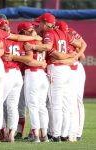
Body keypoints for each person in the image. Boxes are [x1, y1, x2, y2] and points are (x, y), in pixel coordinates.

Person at [25, 13, 81, 142]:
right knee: (65, 104)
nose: (39, 25)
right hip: (66, 70)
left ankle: (56, 134)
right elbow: (78, 44)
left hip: (56, 69)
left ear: (45, 23)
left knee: (55, 104)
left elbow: (50, 48)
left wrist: (33, 46)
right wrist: (70, 55)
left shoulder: (48, 33)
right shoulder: (63, 33)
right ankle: (64, 134)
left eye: (40, 23)